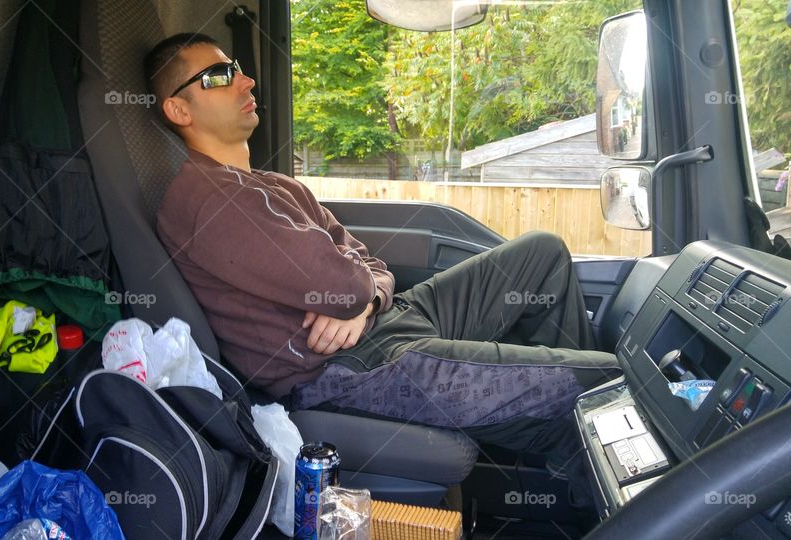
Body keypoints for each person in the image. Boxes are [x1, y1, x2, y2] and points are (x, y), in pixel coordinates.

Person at [147, 33, 622, 491]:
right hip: (348, 370)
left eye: (239, 69)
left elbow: (367, 265)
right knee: (605, 379)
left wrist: (369, 300)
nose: (246, 81)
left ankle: (563, 450)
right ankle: (576, 464)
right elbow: (344, 279)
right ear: (178, 108)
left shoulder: (277, 186)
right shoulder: (209, 202)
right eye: (219, 75)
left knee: (542, 253)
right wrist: (358, 293)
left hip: (387, 321)